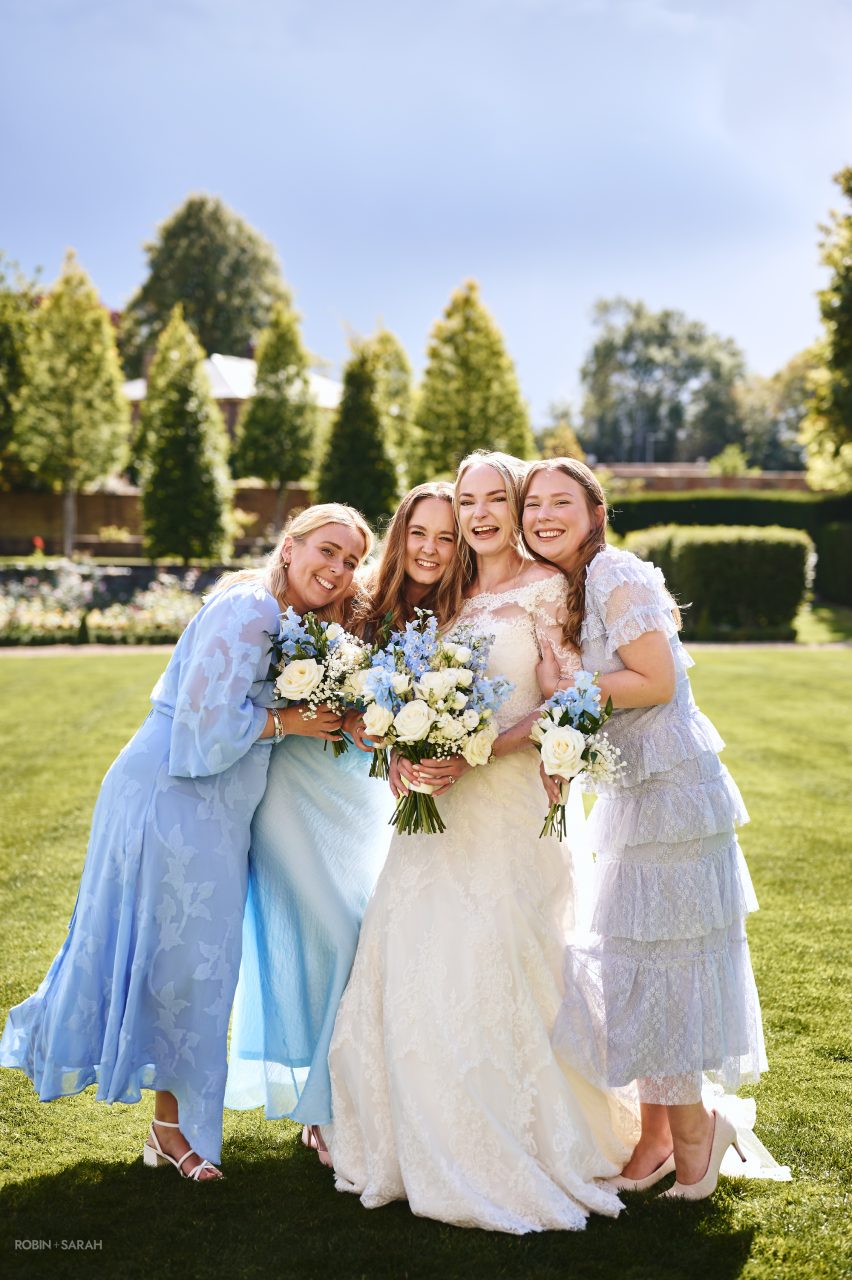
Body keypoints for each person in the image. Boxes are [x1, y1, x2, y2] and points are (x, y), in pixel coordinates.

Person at [0, 504, 370, 1181]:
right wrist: (292, 720)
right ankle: (175, 1133)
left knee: (192, 964)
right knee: (189, 965)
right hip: (173, 796)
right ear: (289, 546)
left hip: (212, 806)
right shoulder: (250, 609)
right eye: (328, 550)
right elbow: (202, 735)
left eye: (351, 561)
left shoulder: (283, 618)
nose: (339, 569)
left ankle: (168, 1128)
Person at [326, 452, 639, 1233]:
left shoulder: (551, 589)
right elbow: (407, 695)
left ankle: (523, 1143)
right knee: (418, 961)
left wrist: (487, 746)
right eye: (468, 500)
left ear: (518, 502)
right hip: (437, 819)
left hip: (507, 810)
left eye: (496, 497)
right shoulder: (451, 597)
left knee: (502, 964)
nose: (480, 513)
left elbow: (572, 701)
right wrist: (404, 755)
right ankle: (410, 1137)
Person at [522, 458, 769, 1200]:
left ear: (595, 511)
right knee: (640, 959)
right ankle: (658, 1139)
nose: (543, 515)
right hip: (638, 791)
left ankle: (698, 1132)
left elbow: (655, 678)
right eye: (533, 504)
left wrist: (564, 689)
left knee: (665, 963)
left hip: (672, 797)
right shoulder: (576, 584)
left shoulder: (614, 573)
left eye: (561, 501)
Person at [225, 483, 461, 1162]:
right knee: (335, 929)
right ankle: (324, 1101)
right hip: (293, 790)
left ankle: (330, 1102)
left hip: (358, 800)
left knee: (359, 940)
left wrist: (389, 736)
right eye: (419, 534)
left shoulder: (446, 611)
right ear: (397, 536)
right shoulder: (353, 602)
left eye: (446, 538)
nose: (429, 549)